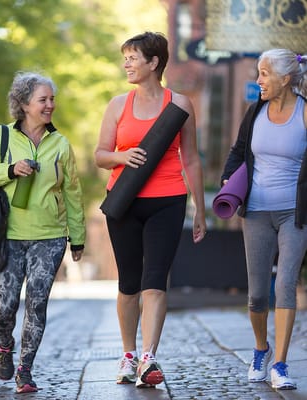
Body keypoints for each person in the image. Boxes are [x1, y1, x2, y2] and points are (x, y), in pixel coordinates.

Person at [94, 31, 206, 388]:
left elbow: (190, 158)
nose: (126, 63)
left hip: (169, 201)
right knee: (129, 284)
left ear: (154, 62)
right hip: (124, 202)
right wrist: (121, 156)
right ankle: (128, 354)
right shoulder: (117, 105)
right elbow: (99, 155)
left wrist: (200, 210)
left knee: (155, 280)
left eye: (133, 57)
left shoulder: (180, 104)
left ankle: (148, 358)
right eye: (125, 57)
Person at [0, 71, 86, 394]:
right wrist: (10, 170)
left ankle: (25, 369)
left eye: (52, 99)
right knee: (4, 306)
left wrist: (77, 237)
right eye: (43, 100)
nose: (50, 105)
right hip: (7, 235)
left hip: (49, 237)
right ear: (23, 104)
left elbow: (73, 193)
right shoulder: (1, 138)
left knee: (37, 304)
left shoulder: (61, 144)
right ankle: (5, 344)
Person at [220, 49, 307, 390]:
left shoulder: (304, 114)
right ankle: (261, 349)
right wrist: (229, 178)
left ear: (286, 79)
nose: (259, 80)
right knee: (257, 294)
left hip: (294, 214)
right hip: (255, 212)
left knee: (285, 283)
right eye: (259, 72)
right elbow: (239, 150)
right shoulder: (255, 111)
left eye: (265, 73)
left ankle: (281, 364)